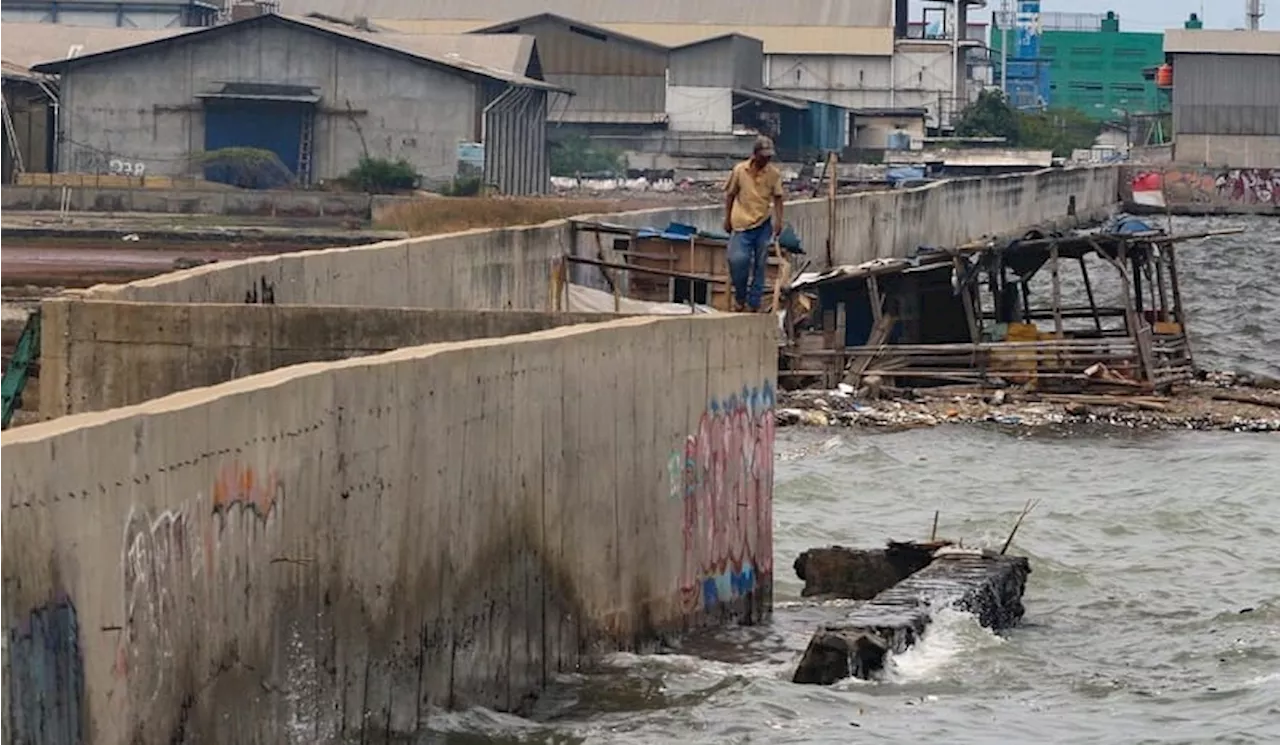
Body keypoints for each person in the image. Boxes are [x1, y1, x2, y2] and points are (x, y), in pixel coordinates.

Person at [723, 135, 785, 312]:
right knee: (738, 261)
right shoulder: (740, 171)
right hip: (741, 224)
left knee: (760, 264)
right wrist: (727, 218)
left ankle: (754, 303)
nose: (766, 159)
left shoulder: (773, 174)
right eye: (763, 156)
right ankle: (740, 297)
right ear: (755, 154)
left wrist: (779, 221)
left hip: (763, 223)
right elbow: (730, 195)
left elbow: (779, 198)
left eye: (769, 156)